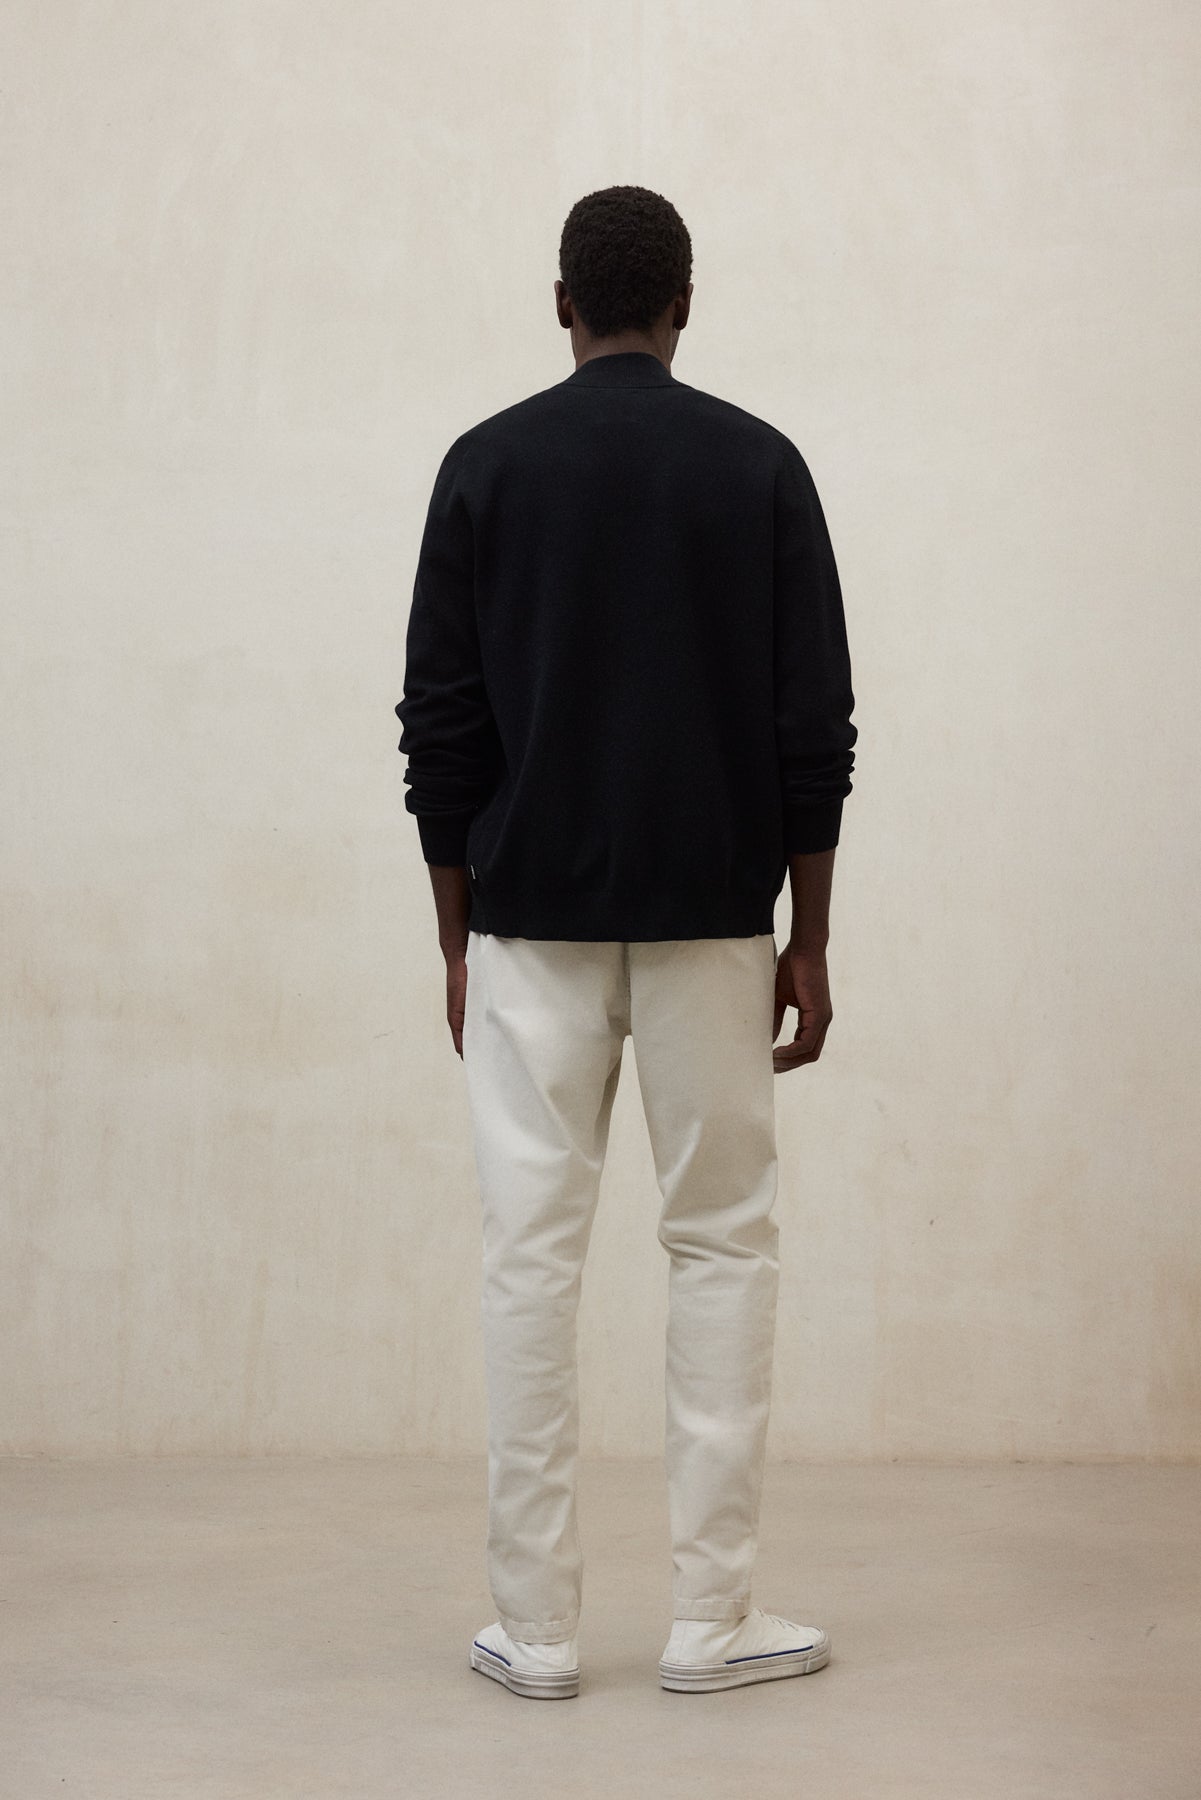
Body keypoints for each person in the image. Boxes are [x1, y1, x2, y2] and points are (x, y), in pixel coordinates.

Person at [395, 184, 857, 1700]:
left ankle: (534, 1633)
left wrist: (456, 938)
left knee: (527, 1259)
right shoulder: (758, 465)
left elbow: (440, 726)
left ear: (561, 304)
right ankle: (710, 1620)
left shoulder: (484, 466)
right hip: (714, 922)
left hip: (525, 925)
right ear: (682, 307)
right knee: (721, 1244)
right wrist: (808, 937)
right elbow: (813, 724)